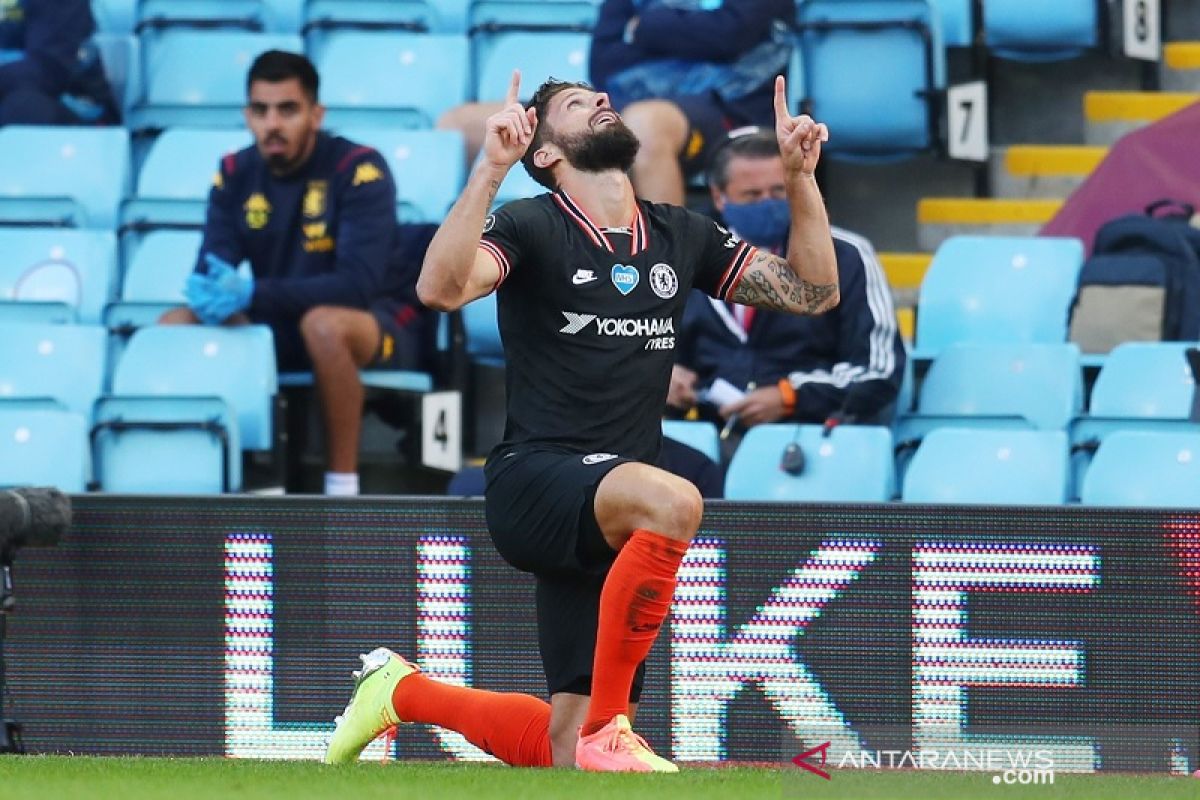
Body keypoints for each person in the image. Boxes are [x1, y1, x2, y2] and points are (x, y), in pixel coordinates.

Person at [324, 70, 836, 771]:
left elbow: (813, 292)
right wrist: (489, 168)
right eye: (575, 104)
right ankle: (608, 732)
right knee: (676, 499)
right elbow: (439, 288)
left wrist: (801, 177)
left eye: (600, 97)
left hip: (612, 514)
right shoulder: (530, 225)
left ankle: (402, 693)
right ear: (547, 154)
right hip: (537, 480)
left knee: (564, 750)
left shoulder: (676, 233)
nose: (600, 100)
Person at [159, 51, 428, 497]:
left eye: (287, 109)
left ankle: (342, 488)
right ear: (247, 115)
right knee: (175, 325)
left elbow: (356, 287)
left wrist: (250, 293)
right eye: (261, 111)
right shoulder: (234, 173)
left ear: (315, 114)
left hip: (371, 324)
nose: (272, 124)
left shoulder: (359, 169)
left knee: (322, 324)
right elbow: (212, 268)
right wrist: (212, 292)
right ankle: (217, 480)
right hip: (279, 320)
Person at [437, 0, 793, 206]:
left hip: (727, 106)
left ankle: (668, 275)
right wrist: (695, 32)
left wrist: (648, 27)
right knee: (460, 124)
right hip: (626, 100)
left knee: (646, 124)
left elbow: (728, 37)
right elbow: (606, 61)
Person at [669, 129, 907, 431]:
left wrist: (791, 396)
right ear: (718, 196)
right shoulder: (686, 254)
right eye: (752, 195)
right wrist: (665, 376)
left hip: (811, 436)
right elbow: (642, 346)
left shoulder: (846, 255)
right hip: (707, 436)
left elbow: (879, 371)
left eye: (780, 192)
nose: (767, 203)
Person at [0, 0, 118, 125]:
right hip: (44, 85)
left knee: (21, 109)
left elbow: (51, 69)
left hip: (82, 106)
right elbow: (11, 30)